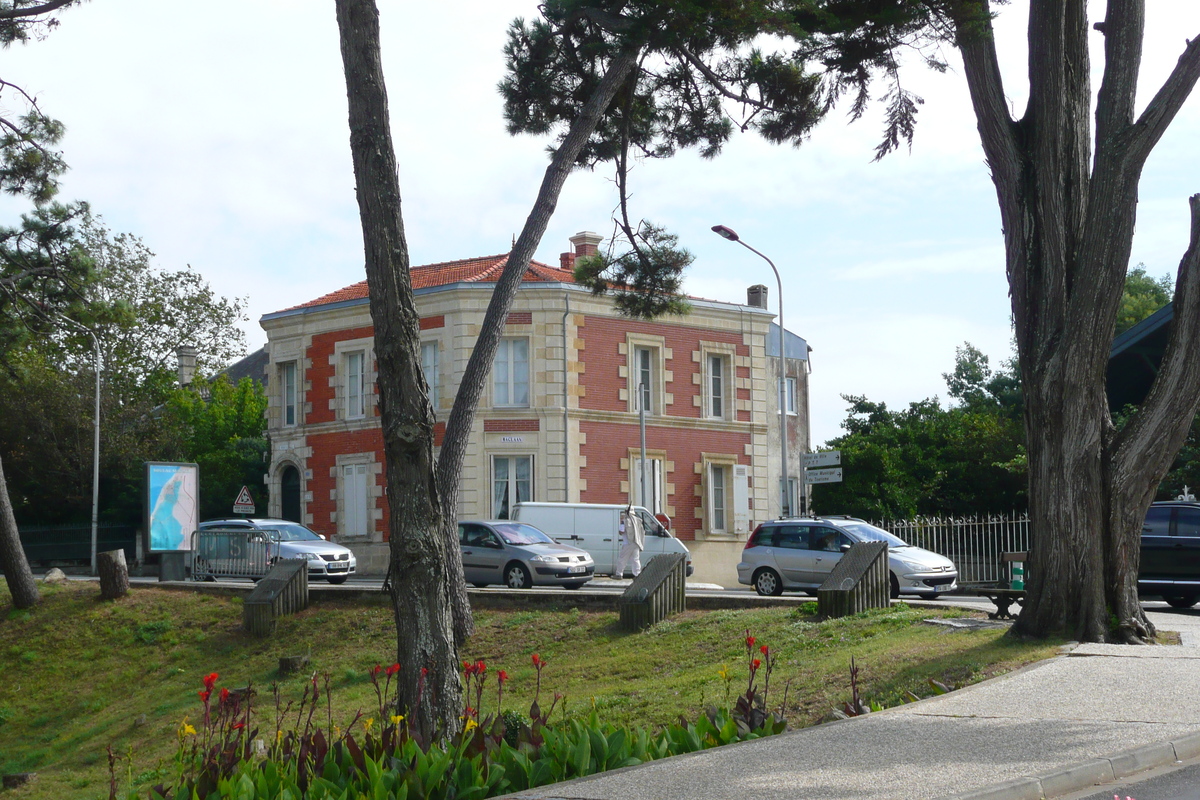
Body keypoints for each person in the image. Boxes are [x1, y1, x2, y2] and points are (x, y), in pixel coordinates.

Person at [615, 505, 645, 578]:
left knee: (622, 559)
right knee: (635, 560)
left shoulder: (625, 521)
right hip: (636, 542)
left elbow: (621, 532)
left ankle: (619, 574)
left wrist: (621, 522)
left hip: (628, 543)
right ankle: (637, 575)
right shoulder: (638, 520)